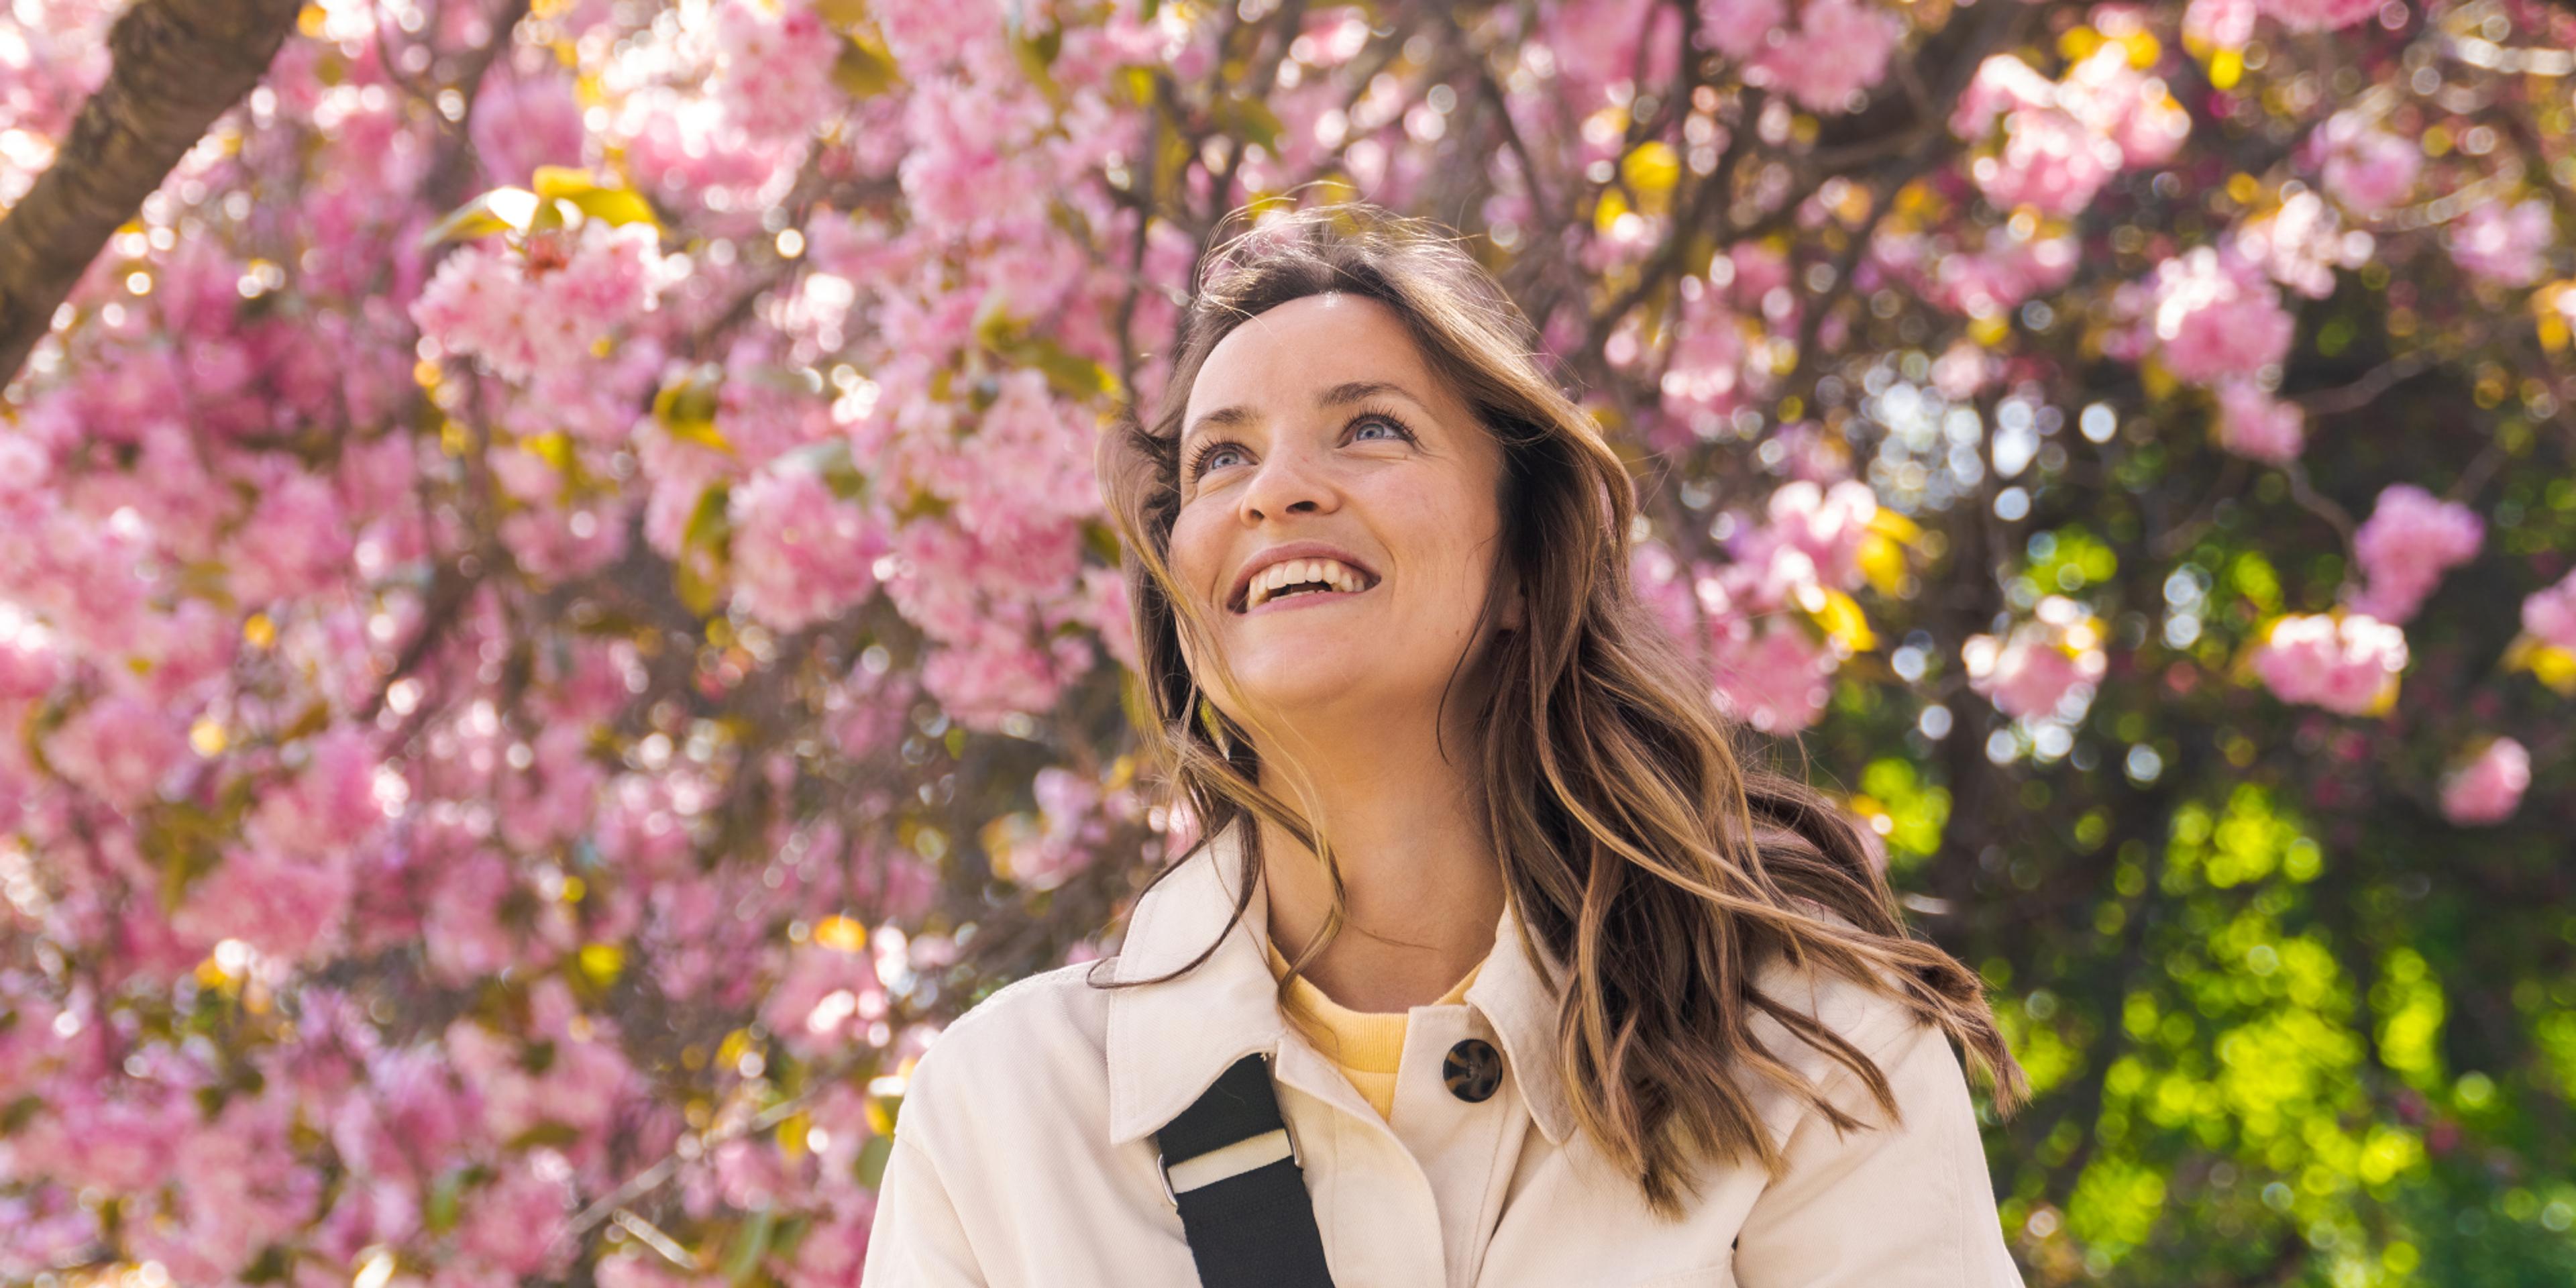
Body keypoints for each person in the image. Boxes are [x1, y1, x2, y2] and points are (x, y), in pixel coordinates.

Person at [859, 201, 2032, 1287]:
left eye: (1370, 429)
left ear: (1524, 558)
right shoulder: (1004, 1109)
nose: (1276, 492)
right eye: (1223, 458)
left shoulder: (1800, 1047)